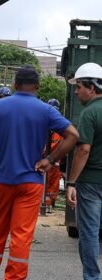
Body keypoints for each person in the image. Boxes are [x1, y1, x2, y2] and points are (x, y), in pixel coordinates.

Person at [0, 65, 79, 279]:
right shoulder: (46, 110)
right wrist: (50, 160)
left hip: (1, 180)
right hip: (31, 182)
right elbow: (72, 135)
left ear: (14, 85)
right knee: (21, 236)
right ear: (37, 86)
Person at [66, 62, 102, 280]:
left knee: (89, 232)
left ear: (92, 86)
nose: (76, 91)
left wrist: (71, 182)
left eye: (79, 86)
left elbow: (83, 150)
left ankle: (92, 277)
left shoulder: (89, 113)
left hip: (90, 182)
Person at [45, 98, 64, 211]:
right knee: (50, 181)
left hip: (52, 158)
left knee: (52, 181)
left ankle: (49, 202)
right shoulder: (58, 124)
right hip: (53, 158)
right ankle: (48, 202)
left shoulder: (56, 126)